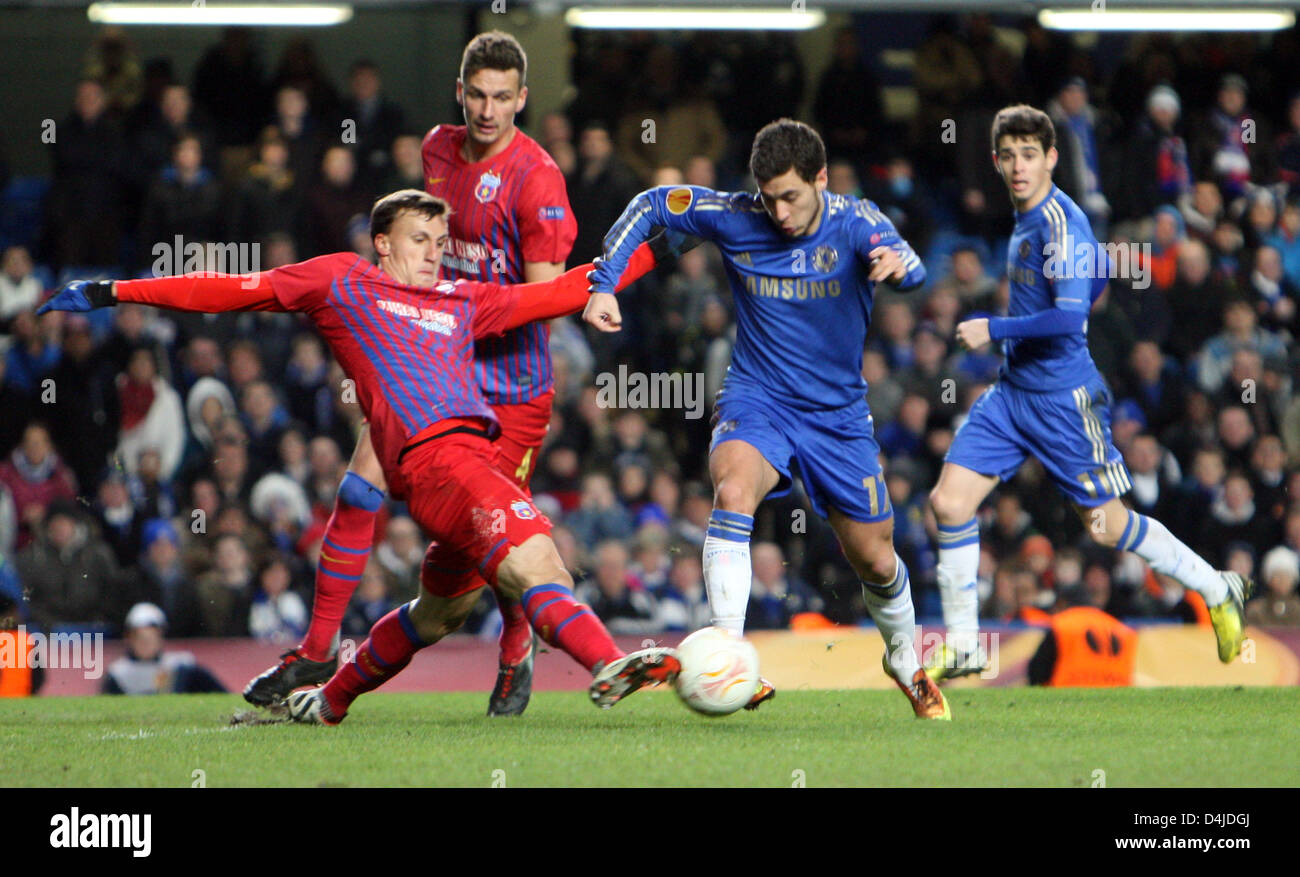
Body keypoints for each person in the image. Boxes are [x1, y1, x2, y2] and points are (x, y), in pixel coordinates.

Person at [40, 188, 686, 724]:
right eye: (418, 240)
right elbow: (230, 289)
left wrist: (666, 244)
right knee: (540, 562)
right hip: (441, 462)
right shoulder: (342, 281)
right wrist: (118, 291)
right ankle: (606, 662)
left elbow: (564, 291)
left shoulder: (464, 301)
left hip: (469, 466)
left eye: (439, 241)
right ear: (382, 243)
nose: (434, 254)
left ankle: (330, 700)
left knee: (438, 614)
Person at [244, 31, 578, 718]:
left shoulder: (537, 177)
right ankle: (316, 645)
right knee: (362, 477)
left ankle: (517, 643)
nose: (488, 111)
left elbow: (545, 299)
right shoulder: (434, 149)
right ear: (461, 93)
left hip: (510, 385)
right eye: (477, 96)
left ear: (523, 98)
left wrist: (465, 305)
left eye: (502, 98)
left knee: (491, 538)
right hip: (432, 363)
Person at [585, 119, 949, 719]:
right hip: (757, 398)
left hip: (837, 417)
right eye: (768, 196)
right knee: (732, 490)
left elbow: (911, 266)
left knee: (878, 560)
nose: (778, 212)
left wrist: (896, 266)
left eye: (791, 196)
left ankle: (904, 659)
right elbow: (652, 205)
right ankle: (728, 649)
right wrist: (604, 285)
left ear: (822, 179)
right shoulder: (736, 214)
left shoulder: (857, 221)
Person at [925, 105, 1253, 683]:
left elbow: (1071, 318)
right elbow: (1092, 277)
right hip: (1011, 394)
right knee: (948, 504)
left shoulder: (1060, 224)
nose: (1019, 166)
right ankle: (966, 643)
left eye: (1031, 155)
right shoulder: (1028, 219)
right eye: (1009, 156)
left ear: (1052, 158)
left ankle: (1216, 586)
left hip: (1061, 400)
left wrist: (993, 328)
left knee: (1106, 526)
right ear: (997, 162)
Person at [102, 603, 226, 695]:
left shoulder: (179, 666)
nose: (146, 644)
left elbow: (221, 693)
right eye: (141, 639)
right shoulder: (118, 674)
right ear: (129, 639)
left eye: (151, 638)